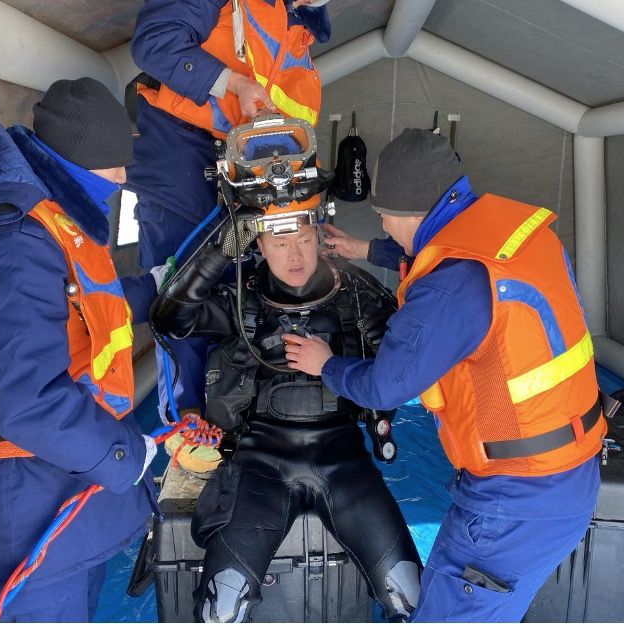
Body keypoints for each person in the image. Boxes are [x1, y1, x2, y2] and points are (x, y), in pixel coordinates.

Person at [283, 129, 605, 622]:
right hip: (571, 472)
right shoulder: (515, 234)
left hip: (513, 499)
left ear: (410, 210)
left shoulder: (449, 288)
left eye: (384, 214)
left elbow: (384, 386)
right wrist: (363, 248)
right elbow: (446, 250)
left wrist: (324, 363)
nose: (383, 224)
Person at [0, 78, 162, 622]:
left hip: (62, 484)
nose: (123, 177)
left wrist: (159, 287)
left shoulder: (51, 221)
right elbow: (20, 394)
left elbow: (83, 307)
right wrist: (121, 455)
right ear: (78, 157)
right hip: (30, 499)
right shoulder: (12, 240)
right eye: (114, 164)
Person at [150, 218, 422, 622]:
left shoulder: (357, 295)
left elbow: (404, 368)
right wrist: (220, 252)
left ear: (320, 237)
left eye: (304, 240)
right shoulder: (241, 300)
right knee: (221, 607)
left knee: (409, 595)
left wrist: (332, 366)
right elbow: (169, 319)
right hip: (260, 463)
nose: (294, 255)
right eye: (279, 244)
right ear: (259, 245)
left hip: (345, 462)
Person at [126, 0, 331, 426]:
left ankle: (230, 419)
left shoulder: (302, 32)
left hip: (244, 171)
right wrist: (232, 83)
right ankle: (187, 422)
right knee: (180, 283)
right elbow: (153, 43)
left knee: (239, 290)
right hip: (182, 148)